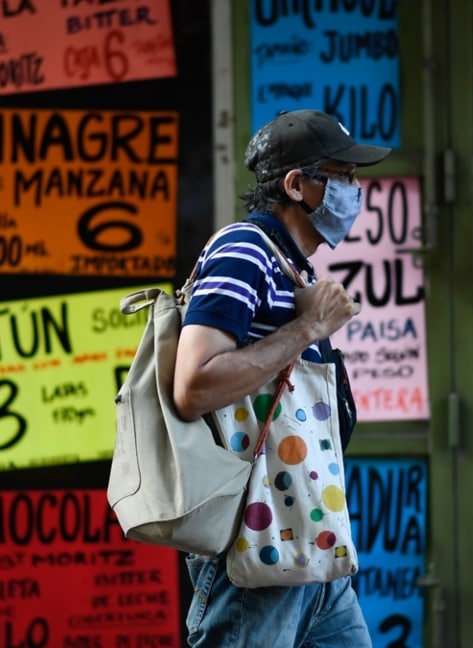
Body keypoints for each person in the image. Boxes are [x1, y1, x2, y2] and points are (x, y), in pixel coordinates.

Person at [171, 109, 390, 647]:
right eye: (341, 176)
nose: (354, 191)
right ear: (296, 185)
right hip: (255, 548)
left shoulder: (288, 265)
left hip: (310, 544)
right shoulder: (243, 250)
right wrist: (309, 327)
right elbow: (193, 386)